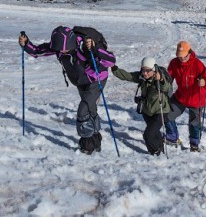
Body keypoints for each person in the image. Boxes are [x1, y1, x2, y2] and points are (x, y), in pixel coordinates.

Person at [19, 26, 117, 154]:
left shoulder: (85, 45)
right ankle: (95, 141)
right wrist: (26, 44)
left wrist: (94, 48)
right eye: (60, 50)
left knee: (83, 111)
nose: (62, 52)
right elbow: (38, 51)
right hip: (80, 81)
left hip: (96, 79)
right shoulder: (58, 47)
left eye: (65, 49)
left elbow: (111, 60)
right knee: (90, 110)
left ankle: (86, 146)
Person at [112, 56, 173, 155]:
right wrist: (114, 68)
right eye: (143, 70)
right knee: (154, 132)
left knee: (148, 135)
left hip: (160, 111)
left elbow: (166, 87)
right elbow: (127, 76)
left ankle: (154, 152)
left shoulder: (159, 77)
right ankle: (160, 148)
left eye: (148, 71)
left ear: (153, 70)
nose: (145, 73)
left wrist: (160, 79)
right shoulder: (142, 76)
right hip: (147, 111)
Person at [163, 40, 206, 152]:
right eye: (179, 57)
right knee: (167, 114)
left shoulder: (198, 65)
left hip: (196, 99)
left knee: (194, 123)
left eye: (184, 56)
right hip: (180, 97)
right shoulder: (174, 63)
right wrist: (162, 81)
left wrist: (204, 82)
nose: (182, 59)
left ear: (189, 53)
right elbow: (168, 79)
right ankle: (172, 138)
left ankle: (194, 144)